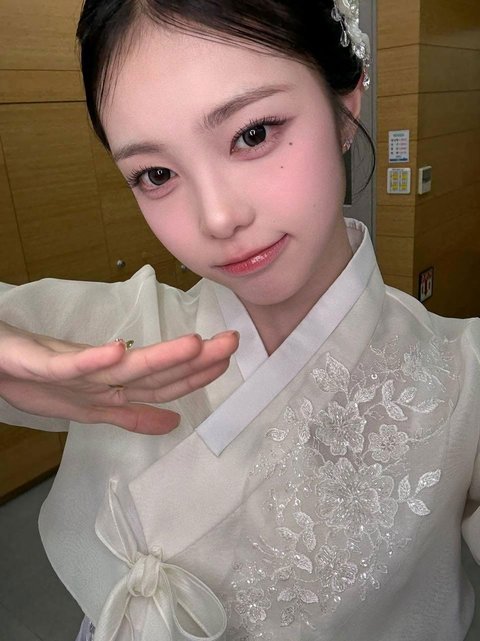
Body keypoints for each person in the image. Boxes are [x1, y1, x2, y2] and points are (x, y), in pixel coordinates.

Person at [0, 1, 479, 639]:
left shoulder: (463, 379)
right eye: (156, 174)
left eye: (252, 134)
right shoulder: (121, 332)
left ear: (345, 105)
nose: (217, 218)